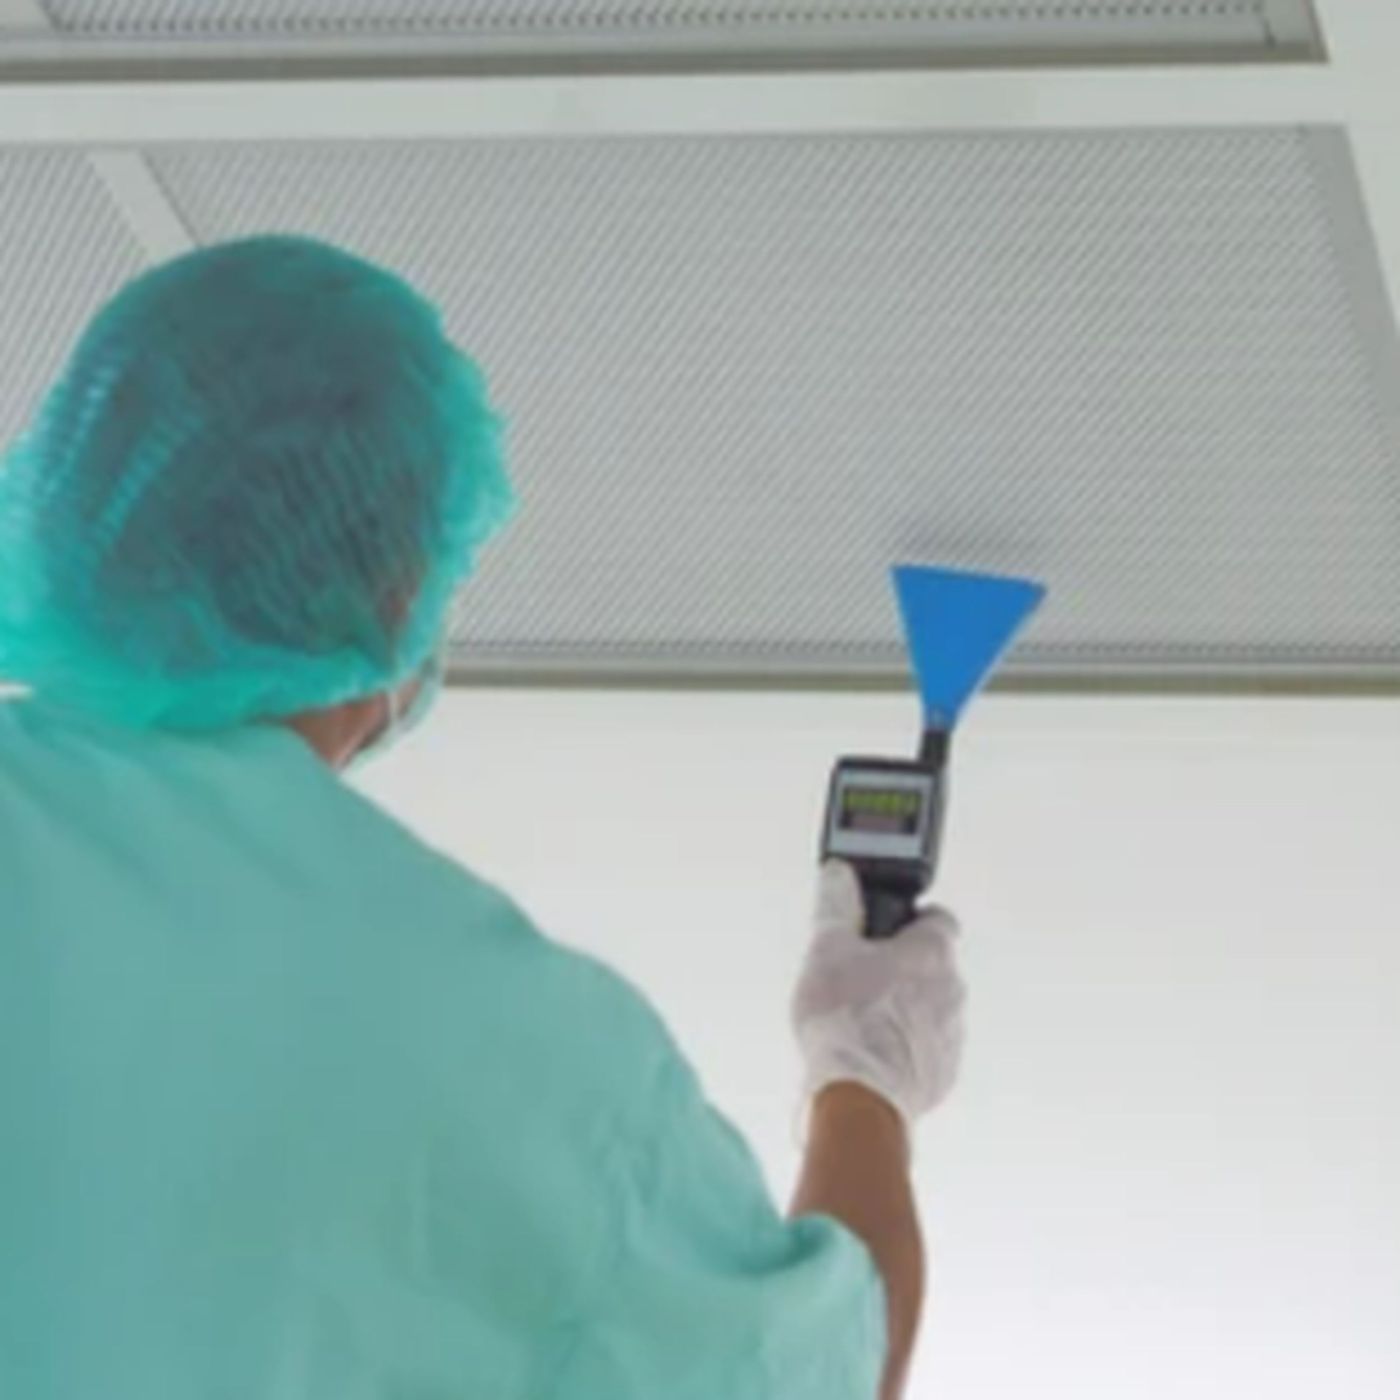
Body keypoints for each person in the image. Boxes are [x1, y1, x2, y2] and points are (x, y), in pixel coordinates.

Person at [0, 236, 965, 1400]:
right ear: (400, 591)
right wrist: (864, 1072)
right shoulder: (523, 1062)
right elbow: (817, 1367)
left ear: (69, 505)